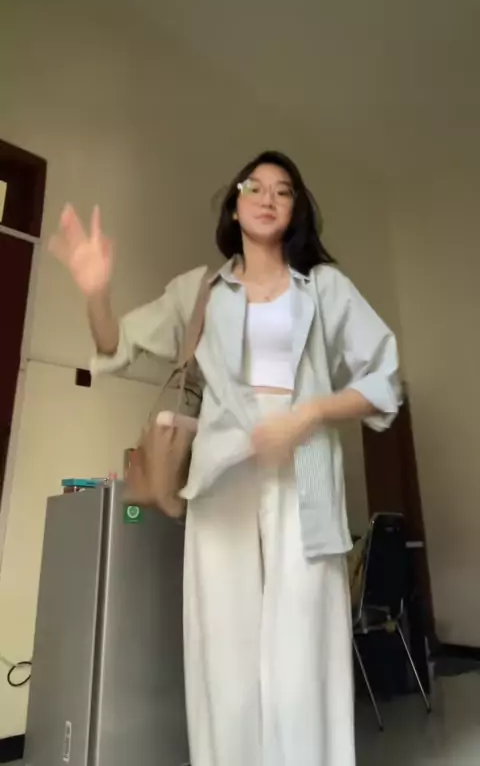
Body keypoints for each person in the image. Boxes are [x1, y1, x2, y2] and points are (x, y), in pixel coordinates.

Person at [50, 150, 401, 766]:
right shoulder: (200, 291)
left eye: (283, 190)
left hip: (305, 476)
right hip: (223, 480)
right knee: (225, 656)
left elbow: (384, 381)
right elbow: (116, 345)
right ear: (234, 207)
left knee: (305, 655)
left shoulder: (324, 289)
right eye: (254, 187)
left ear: (295, 211)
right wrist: (96, 291)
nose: (268, 197)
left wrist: (308, 414)